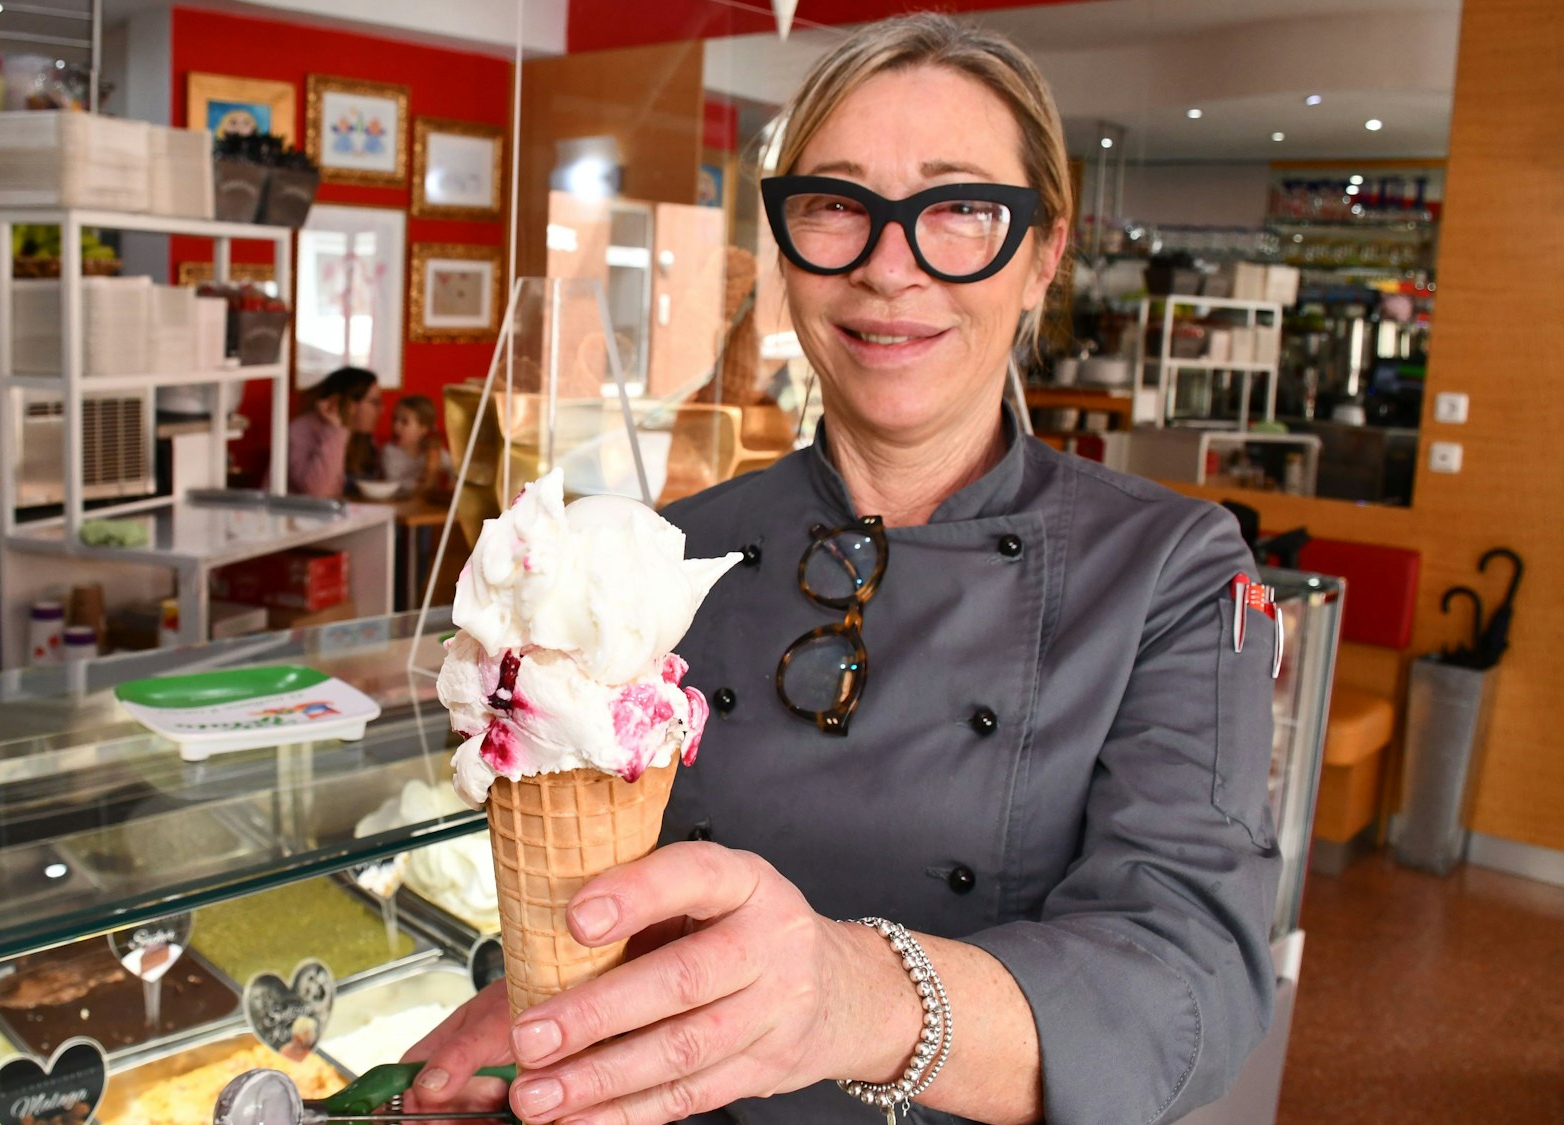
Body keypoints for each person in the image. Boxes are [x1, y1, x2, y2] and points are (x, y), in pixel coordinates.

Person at [406, 14, 1280, 1125]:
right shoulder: (666, 555)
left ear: (1043, 252)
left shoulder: (1167, 568)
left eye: (960, 208)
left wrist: (850, 999)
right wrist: (557, 1022)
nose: (885, 266)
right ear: (785, 246)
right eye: (835, 205)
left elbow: (1185, 984)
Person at [287, 366, 381, 499]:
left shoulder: (364, 439)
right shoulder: (301, 430)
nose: (381, 410)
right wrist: (336, 430)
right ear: (350, 404)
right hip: (299, 516)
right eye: (374, 402)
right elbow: (318, 492)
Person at [382, 394, 450, 497]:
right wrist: (427, 477)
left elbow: (458, 470)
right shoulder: (390, 452)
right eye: (394, 419)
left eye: (404, 422)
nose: (396, 426)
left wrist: (452, 484)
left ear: (423, 429)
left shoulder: (434, 452)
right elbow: (394, 484)